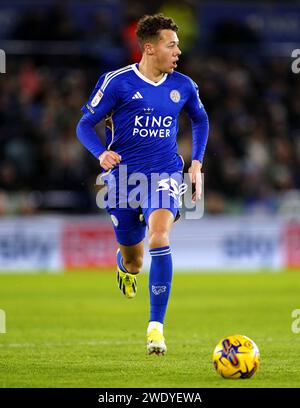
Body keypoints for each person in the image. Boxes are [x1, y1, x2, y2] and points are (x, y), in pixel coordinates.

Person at [76, 13, 209, 355]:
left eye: (178, 44)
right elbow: (84, 125)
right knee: (135, 261)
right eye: (171, 44)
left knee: (160, 236)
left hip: (164, 174)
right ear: (149, 49)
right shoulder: (117, 82)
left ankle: (155, 329)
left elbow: (200, 118)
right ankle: (124, 266)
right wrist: (100, 154)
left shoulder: (183, 86)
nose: (178, 51)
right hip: (123, 180)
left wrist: (195, 163)